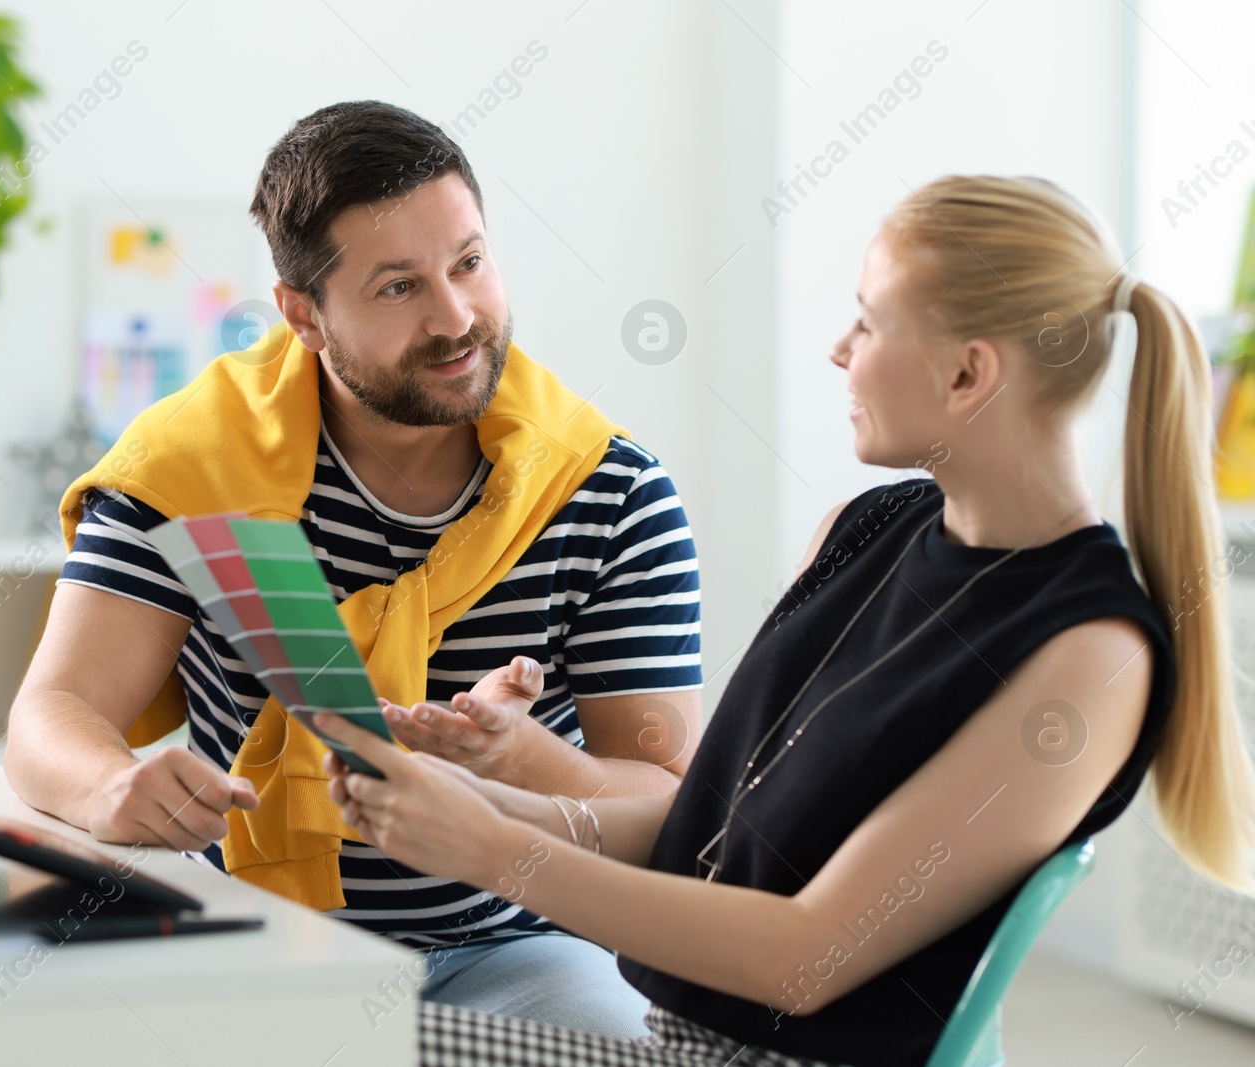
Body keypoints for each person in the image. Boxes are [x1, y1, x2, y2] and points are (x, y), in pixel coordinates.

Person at [317, 175, 1255, 1067]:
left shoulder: (1091, 653)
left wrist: (487, 847)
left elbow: (802, 957)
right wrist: (460, 801)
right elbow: (714, 837)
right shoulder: (864, 531)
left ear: (969, 373)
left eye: (868, 319)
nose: (839, 349)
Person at [3, 100, 703, 1039]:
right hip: (255, 941)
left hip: (519, 941)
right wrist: (104, 786)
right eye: (397, 288)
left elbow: (666, 799)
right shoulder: (192, 470)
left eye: (470, 262)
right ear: (303, 314)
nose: (456, 318)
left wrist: (525, 761)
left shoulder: (607, 491)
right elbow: (50, 715)